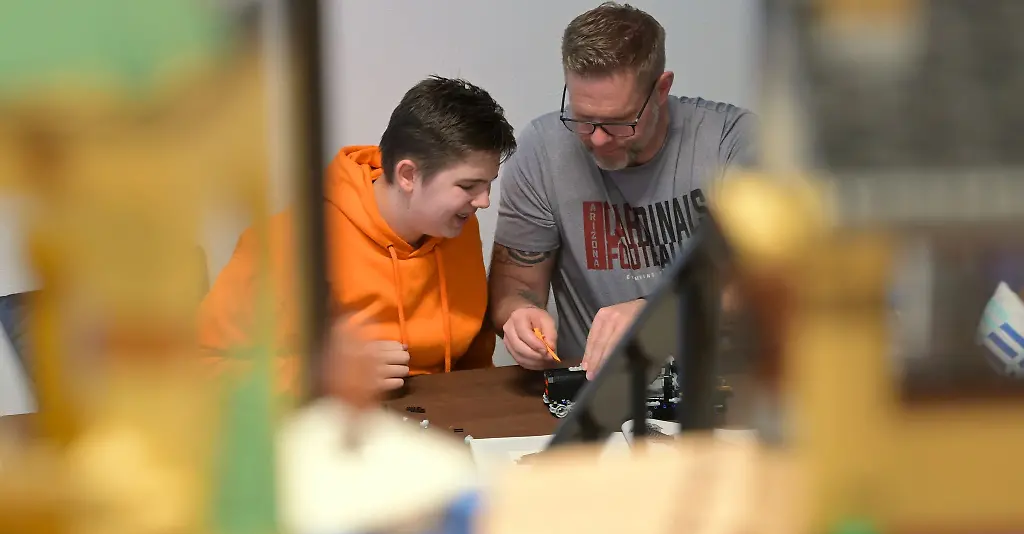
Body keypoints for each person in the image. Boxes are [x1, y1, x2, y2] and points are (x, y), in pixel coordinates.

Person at [200, 76, 517, 394]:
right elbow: (205, 366)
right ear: (408, 175)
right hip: (333, 416)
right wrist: (321, 374)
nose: (484, 202)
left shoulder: (457, 226)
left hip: (445, 414)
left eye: (488, 184)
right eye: (468, 186)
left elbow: (474, 362)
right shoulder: (288, 241)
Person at [489, 2, 756, 379]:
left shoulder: (734, 143)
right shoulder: (542, 151)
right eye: (583, 119)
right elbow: (515, 285)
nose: (598, 139)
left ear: (661, 89)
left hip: (720, 385)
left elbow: (772, 283)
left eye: (618, 122)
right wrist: (520, 316)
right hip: (597, 388)